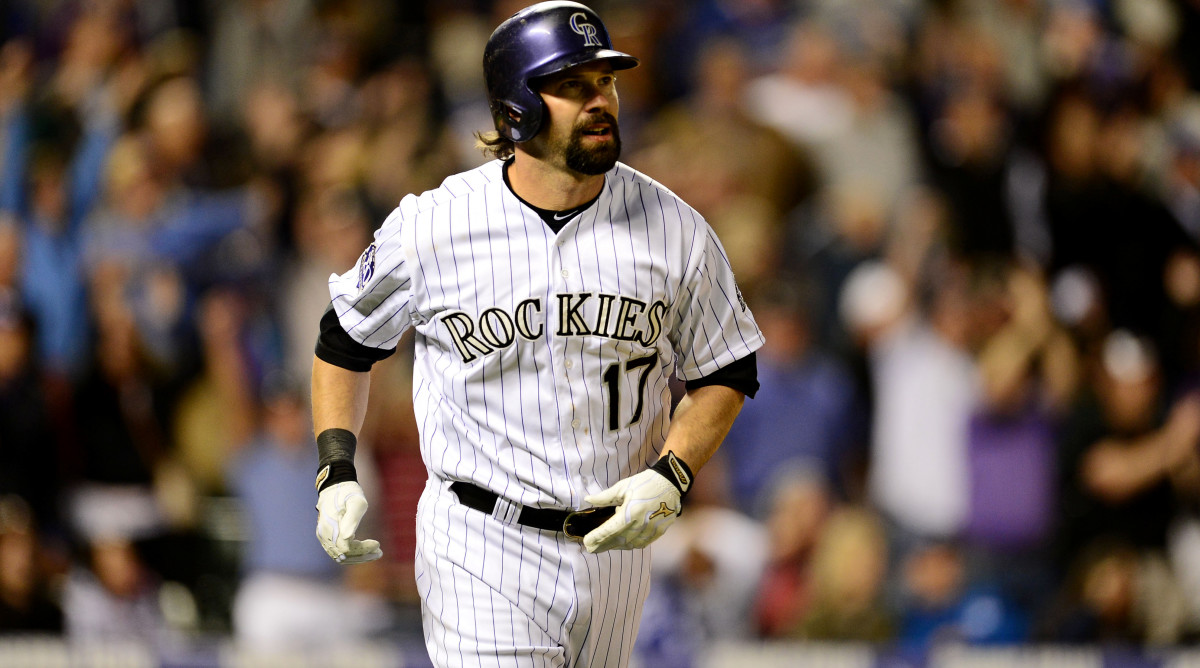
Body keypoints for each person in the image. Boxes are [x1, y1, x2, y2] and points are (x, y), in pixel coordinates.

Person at [308, 3, 764, 667]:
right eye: (573, 86)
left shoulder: (675, 229)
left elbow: (726, 370)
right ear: (517, 106)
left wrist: (673, 472)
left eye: (605, 82)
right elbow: (344, 340)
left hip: (614, 548)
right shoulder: (435, 225)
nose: (601, 100)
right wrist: (336, 468)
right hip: (482, 538)